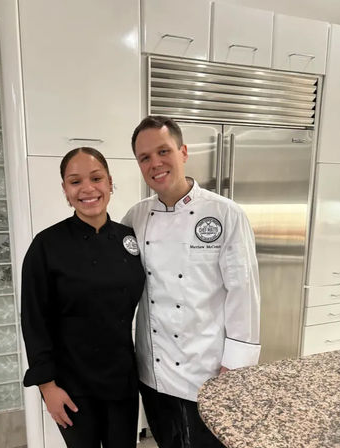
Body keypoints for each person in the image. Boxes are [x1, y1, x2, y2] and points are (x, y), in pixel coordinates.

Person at [122, 116, 261, 448]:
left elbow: (243, 294)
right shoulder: (135, 217)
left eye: (163, 151)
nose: (155, 163)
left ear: (183, 152)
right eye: (144, 157)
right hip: (152, 372)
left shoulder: (226, 214)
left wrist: (236, 367)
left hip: (207, 371)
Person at [21, 147, 146, 448]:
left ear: (110, 182)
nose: (88, 189)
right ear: (65, 190)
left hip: (121, 378)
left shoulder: (129, 239)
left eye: (96, 178)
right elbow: (34, 319)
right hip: (71, 384)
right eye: (75, 181)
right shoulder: (46, 245)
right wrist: (47, 387)